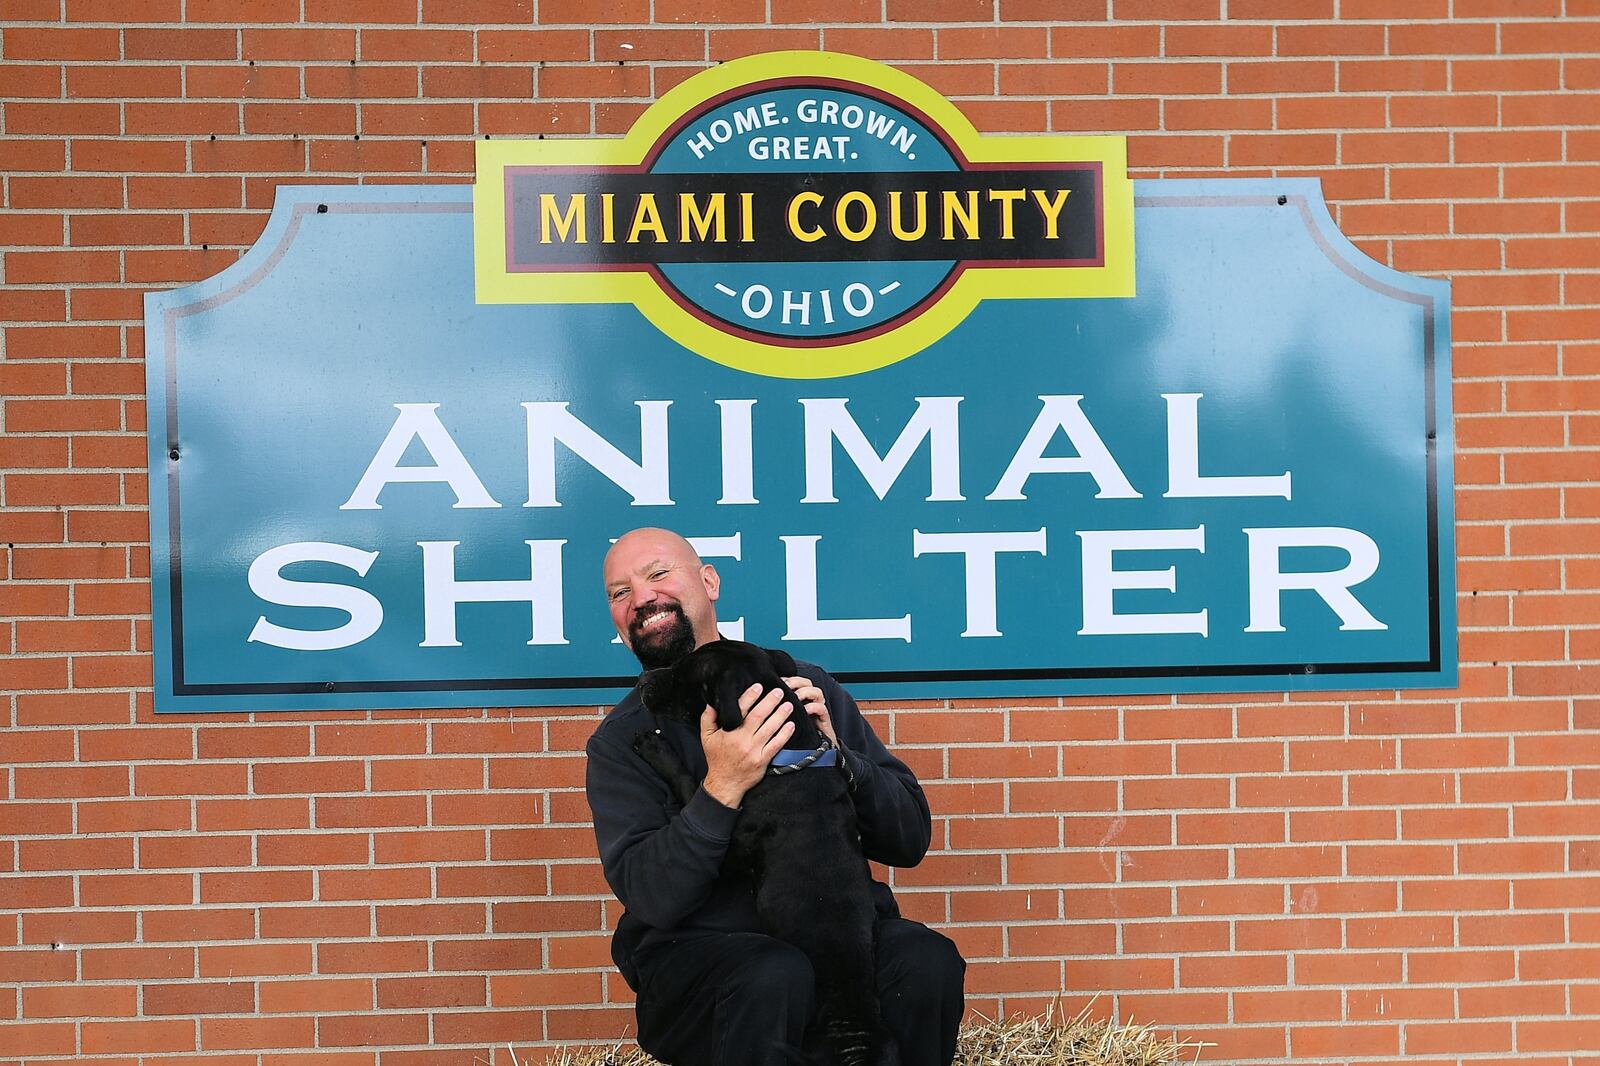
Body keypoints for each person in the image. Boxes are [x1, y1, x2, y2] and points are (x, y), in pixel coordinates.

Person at [586, 527, 966, 1066]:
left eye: (657, 573)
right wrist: (723, 786)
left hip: (835, 937)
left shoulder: (803, 687)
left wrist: (837, 755)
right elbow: (652, 896)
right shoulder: (624, 741)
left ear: (709, 581)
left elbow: (909, 839)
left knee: (926, 962)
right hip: (702, 958)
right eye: (619, 593)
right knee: (774, 972)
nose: (641, 598)